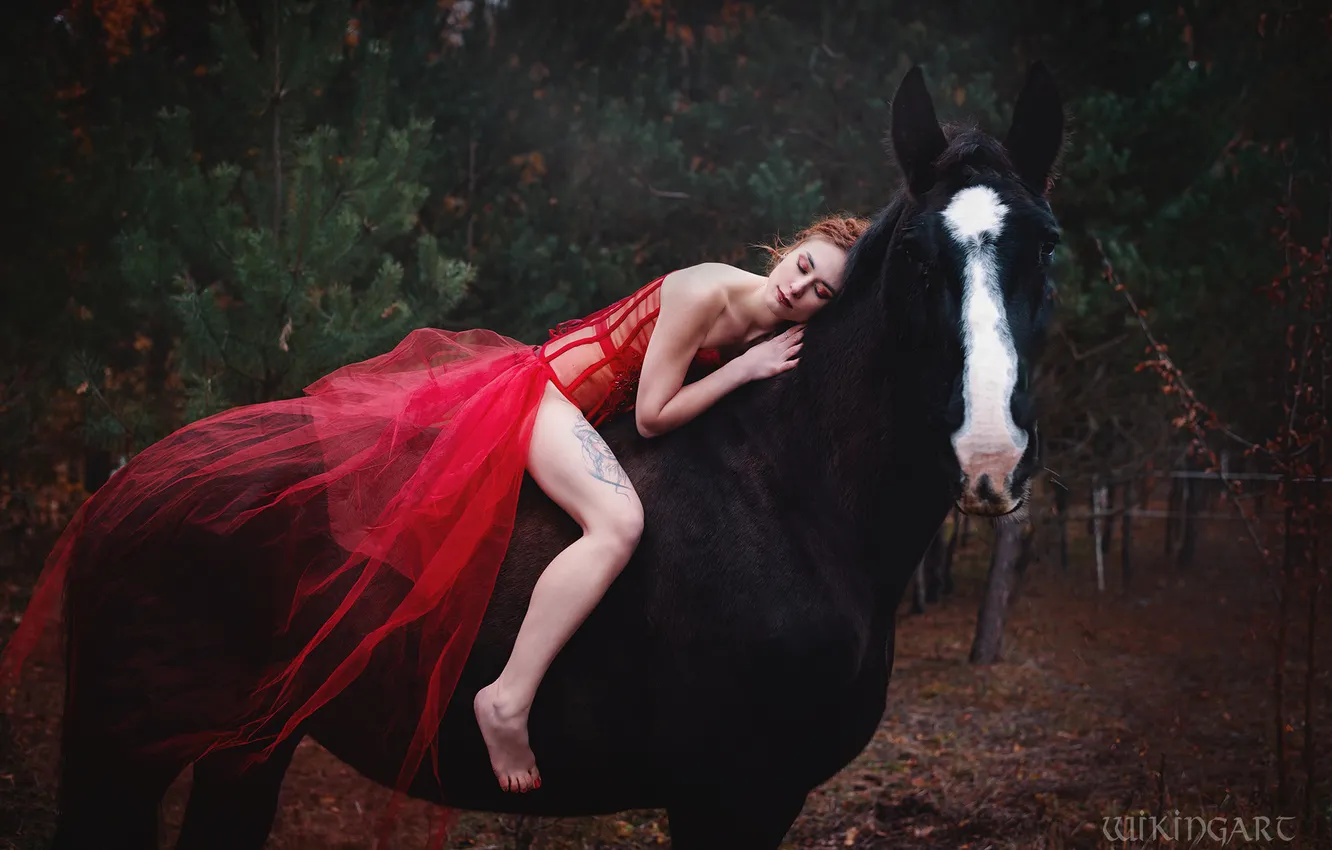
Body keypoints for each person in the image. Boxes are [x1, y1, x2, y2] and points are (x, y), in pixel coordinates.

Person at [0, 213, 869, 803]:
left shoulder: (765, 328)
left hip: (568, 406)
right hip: (539, 393)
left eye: (824, 290)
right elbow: (650, 414)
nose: (803, 289)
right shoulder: (709, 293)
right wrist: (742, 373)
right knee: (620, 525)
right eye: (803, 267)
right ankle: (508, 699)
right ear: (783, 251)